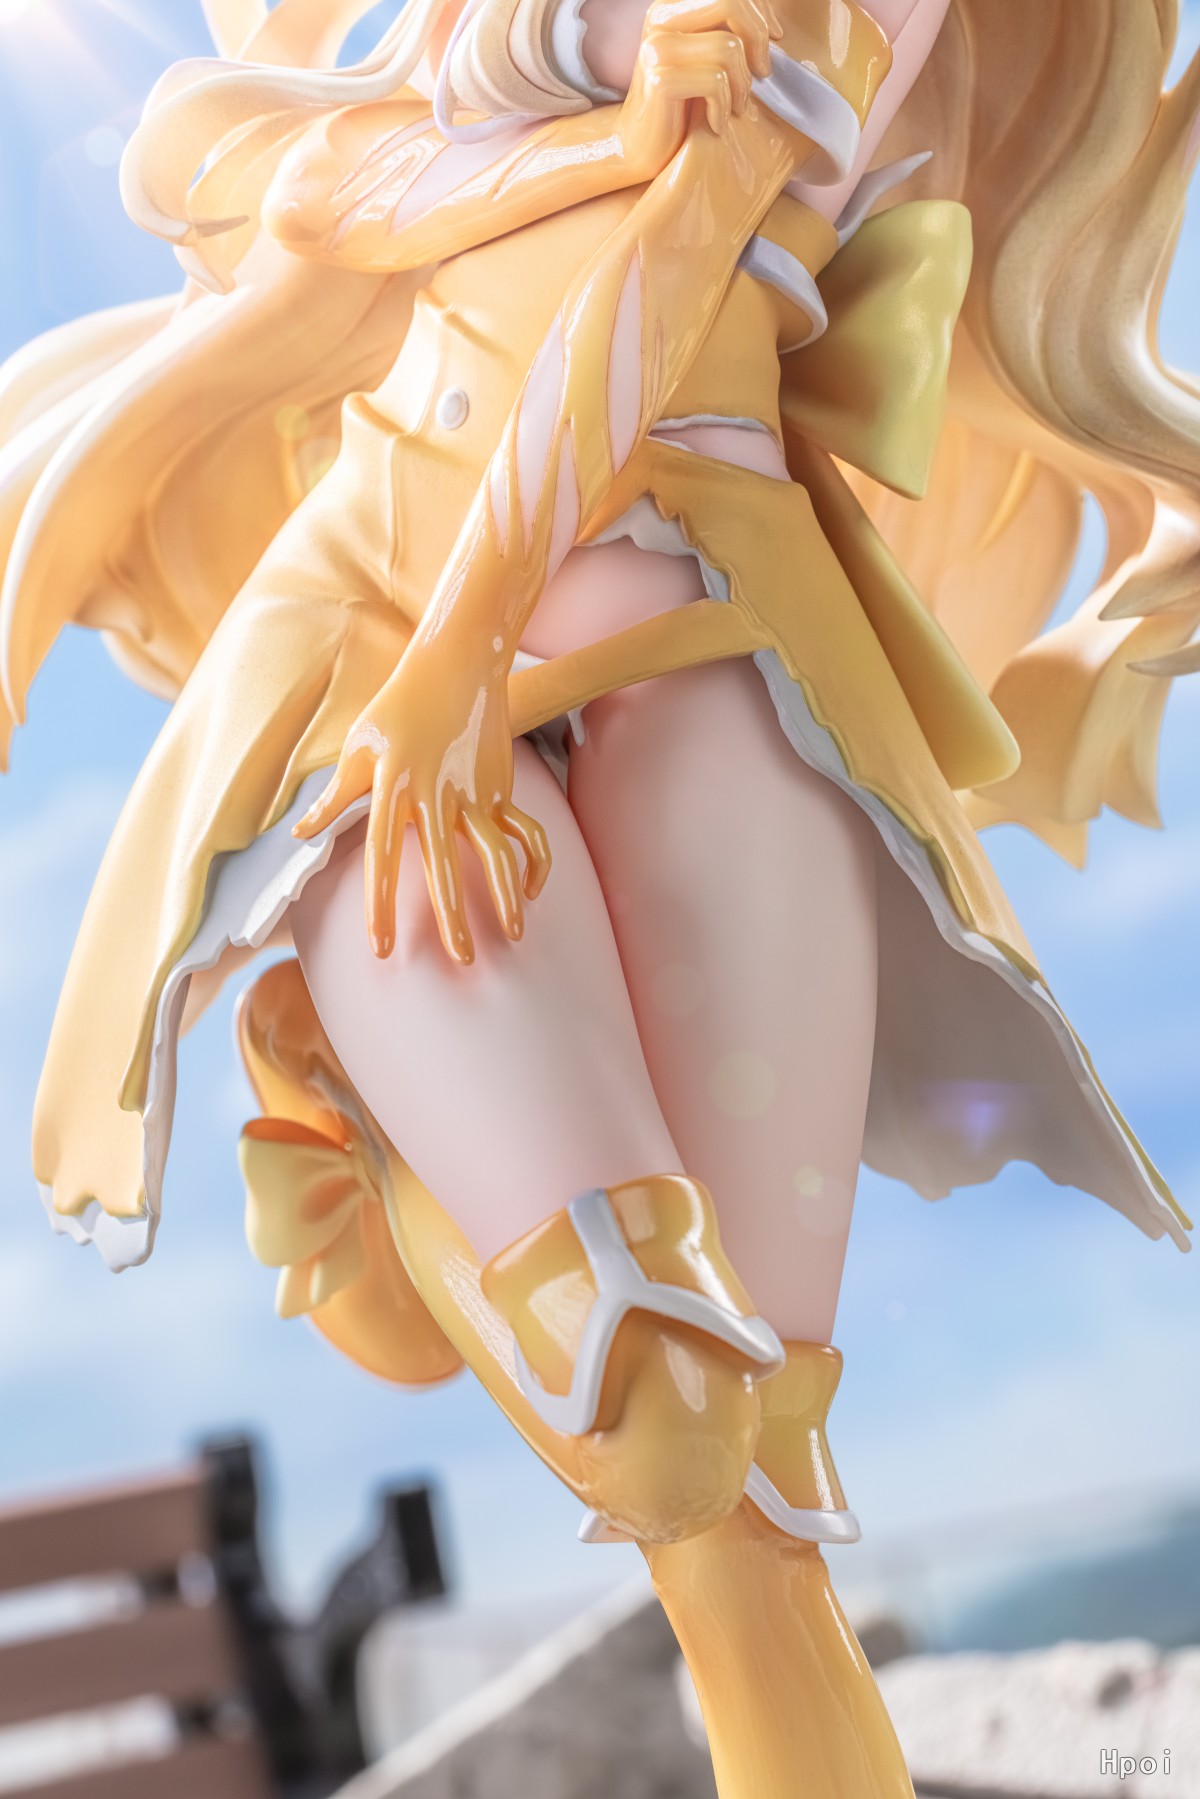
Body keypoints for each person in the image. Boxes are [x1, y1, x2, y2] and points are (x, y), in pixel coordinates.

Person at [3, 0, 1197, 1789]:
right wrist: (600, 148)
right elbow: (339, 195)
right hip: (376, 633)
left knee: (737, 1485)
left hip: (700, 637)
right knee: (656, 1410)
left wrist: (473, 649)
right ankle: (387, 1127)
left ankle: (386, 1142)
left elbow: (680, 256)